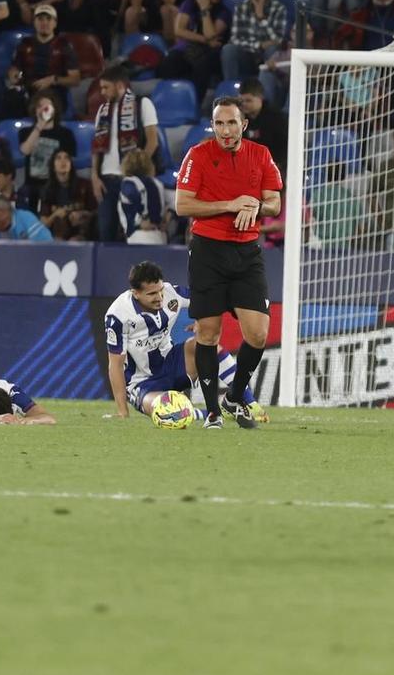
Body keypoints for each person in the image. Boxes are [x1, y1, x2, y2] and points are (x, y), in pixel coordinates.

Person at [173, 97, 283, 429]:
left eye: (231, 123)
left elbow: (275, 202)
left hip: (247, 252)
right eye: (219, 124)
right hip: (208, 251)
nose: (225, 130)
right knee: (208, 332)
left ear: (243, 125)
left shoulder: (260, 154)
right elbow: (182, 204)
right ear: (213, 126)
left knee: (259, 333)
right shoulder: (198, 155)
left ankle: (234, 397)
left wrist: (256, 207)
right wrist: (231, 205)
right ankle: (211, 413)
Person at [100, 261, 262, 423]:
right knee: (168, 412)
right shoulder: (118, 315)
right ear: (136, 293)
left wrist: (201, 318)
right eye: (151, 294)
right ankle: (213, 413)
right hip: (141, 383)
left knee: (205, 346)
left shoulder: (172, 293)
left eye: (160, 290)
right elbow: (115, 365)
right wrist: (123, 412)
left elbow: (207, 299)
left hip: (172, 363)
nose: (159, 298)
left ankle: (246, 401)